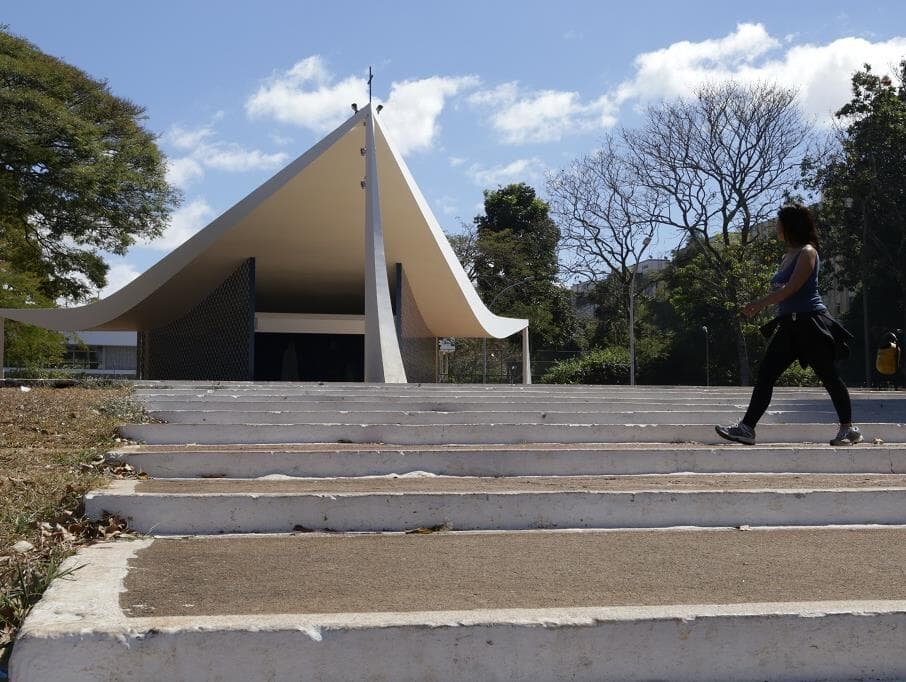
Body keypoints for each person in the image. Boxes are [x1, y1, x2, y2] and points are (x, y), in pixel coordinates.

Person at [716, 204, 861, 446]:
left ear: (789, 226)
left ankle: (848, 430)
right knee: (766, 375)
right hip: (789, 325)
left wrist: (759, 304)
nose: (777, 228)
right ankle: (747, 428)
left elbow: (793, 288)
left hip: (810, 324)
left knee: (829, 376)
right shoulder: (789, 254)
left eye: (779, 223)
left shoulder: (808, 252)